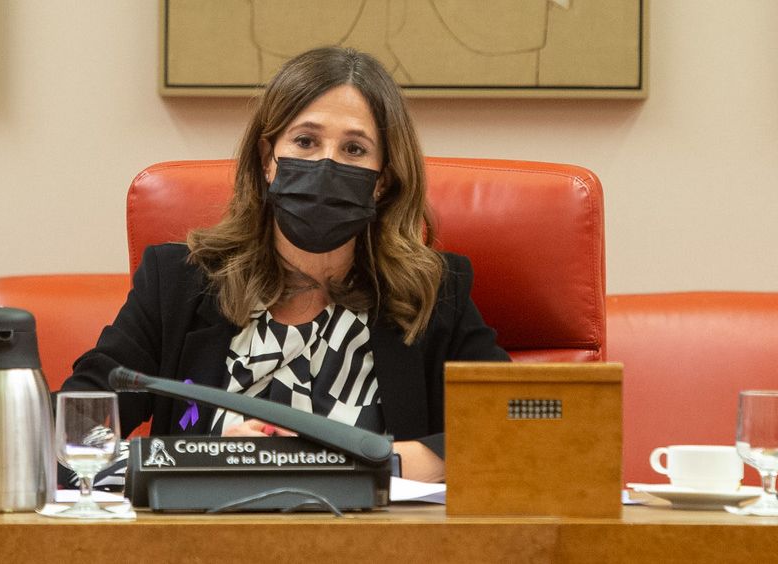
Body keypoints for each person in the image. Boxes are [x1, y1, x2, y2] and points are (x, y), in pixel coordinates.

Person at [62, 46, 509, 483]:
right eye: (305, 141)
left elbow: (511, 429)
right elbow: (74, 429)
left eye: (354, 149)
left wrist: (361, 463)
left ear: (382, 181)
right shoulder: (179, 282)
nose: (326, 164)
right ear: (267, 160)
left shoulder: (433, 293)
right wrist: (212, 457)